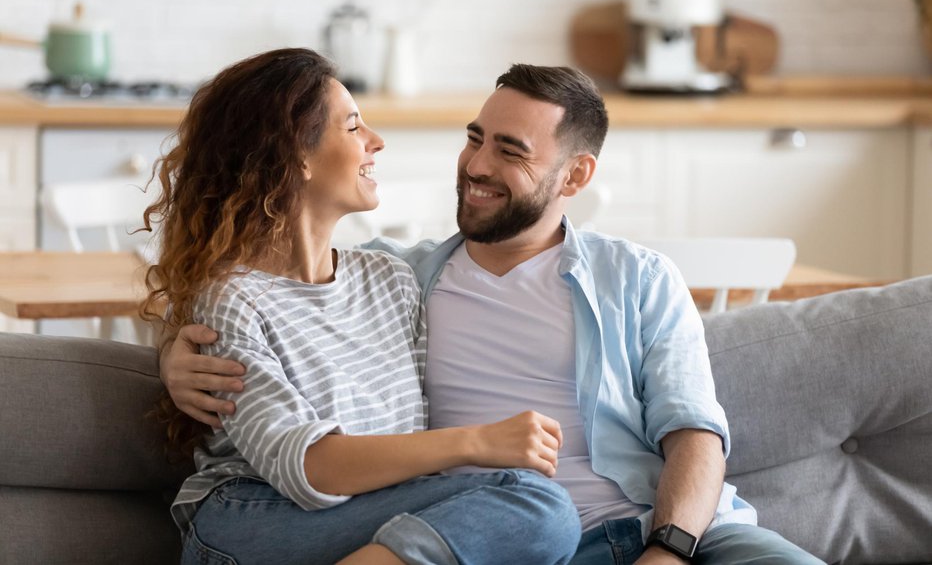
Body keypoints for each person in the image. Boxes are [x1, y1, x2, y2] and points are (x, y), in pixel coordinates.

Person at [161, 63, 824, 565]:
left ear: (575, 176)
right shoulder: (412, 274)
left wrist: (670, 549)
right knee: (538, 510)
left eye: (510, 151)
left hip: (665, 535)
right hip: (510, 540)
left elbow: (697, 435)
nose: (476, 165)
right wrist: (173, 357)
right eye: (474, 138)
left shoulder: (637, 278)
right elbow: (266, 293)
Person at [142, 48, 582, 565]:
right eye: (353, 127)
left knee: (538, 512)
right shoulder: (230, 300)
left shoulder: (392, 279)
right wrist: (477, 443)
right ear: (295, 155)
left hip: (368, 521)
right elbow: (304, 466)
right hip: (252, 518)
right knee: (539, 506)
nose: (376, 142)